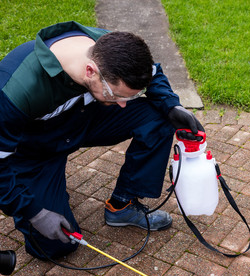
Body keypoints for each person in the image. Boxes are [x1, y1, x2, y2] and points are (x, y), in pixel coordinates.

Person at [0, 21, 204, 260]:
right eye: (117, 95)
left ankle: (122, 205)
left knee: (157, 118)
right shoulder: (14, 90)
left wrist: (172, 106)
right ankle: (45, 189)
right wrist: (33, 212)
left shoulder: (113, 49)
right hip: (36, 150)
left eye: (129, 97)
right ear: (90, 71)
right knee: (57, 245)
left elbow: (152, 72)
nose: (123, 104)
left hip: (85, 120)